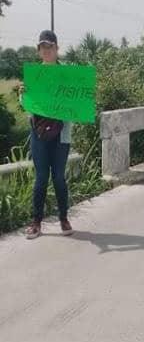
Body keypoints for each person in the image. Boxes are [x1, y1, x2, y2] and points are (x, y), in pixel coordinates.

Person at [20, 30, 73, 240]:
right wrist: (24, 94)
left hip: (62, 133)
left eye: (50, 46)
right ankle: (36, 222)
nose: (47, 50)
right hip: (39, 132)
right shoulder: (33, 74)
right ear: (38, 50)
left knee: (59, 177)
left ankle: (63, 218)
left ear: (57, 49)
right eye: (43, 47)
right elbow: (27, 106)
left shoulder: (69, 75)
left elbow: (77, 104)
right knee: (41, 178)